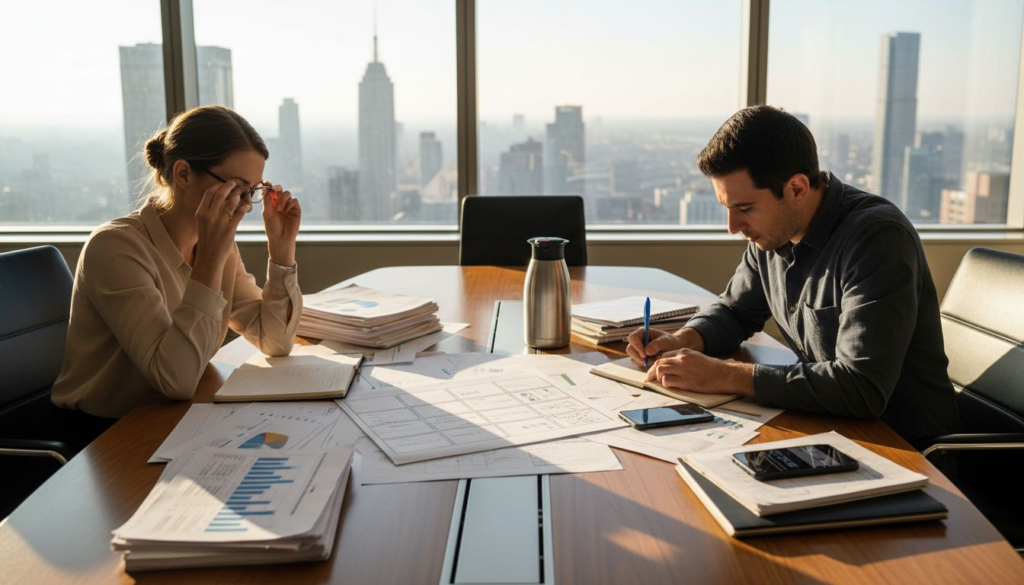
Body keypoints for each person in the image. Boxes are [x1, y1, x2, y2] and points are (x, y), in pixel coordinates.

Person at [626, 105, 960, 446]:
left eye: (744, 209)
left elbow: (862, 389)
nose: (733, 228)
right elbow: (736, 310)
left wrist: (727, 375)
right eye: (727, 208)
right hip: (829, 427)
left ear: (797, 188)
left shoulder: (877, 239)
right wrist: (685, 339)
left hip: (907, 449)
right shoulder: (774, 233)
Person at [51, 105, 303, 438]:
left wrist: (282, 251)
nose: (245, 206)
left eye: (253, 191)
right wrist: (210, 260)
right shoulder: (115, 248)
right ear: (183, 174)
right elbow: (176, 380)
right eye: (237, 188)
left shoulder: (219, 246)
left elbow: (275, 342)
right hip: (105, 438)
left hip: (176, 419)